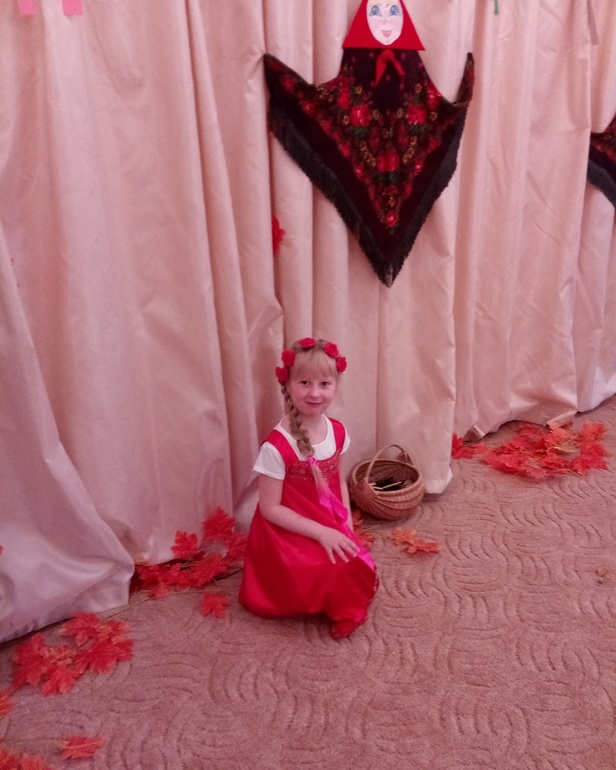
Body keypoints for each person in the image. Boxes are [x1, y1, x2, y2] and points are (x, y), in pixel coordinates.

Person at [239, 337, 378, 639]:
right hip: (287, 527)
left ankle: (340, 599)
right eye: (304, 383)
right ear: (288, 385)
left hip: (325, 515)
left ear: (335, 385)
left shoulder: (337, 431)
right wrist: (321, 533)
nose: (315, 393)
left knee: (350, 558)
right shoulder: (276, 446)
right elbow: (270, 508)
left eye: (324, 384)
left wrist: (344, 524)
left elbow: (338, 481)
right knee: (323, 567)